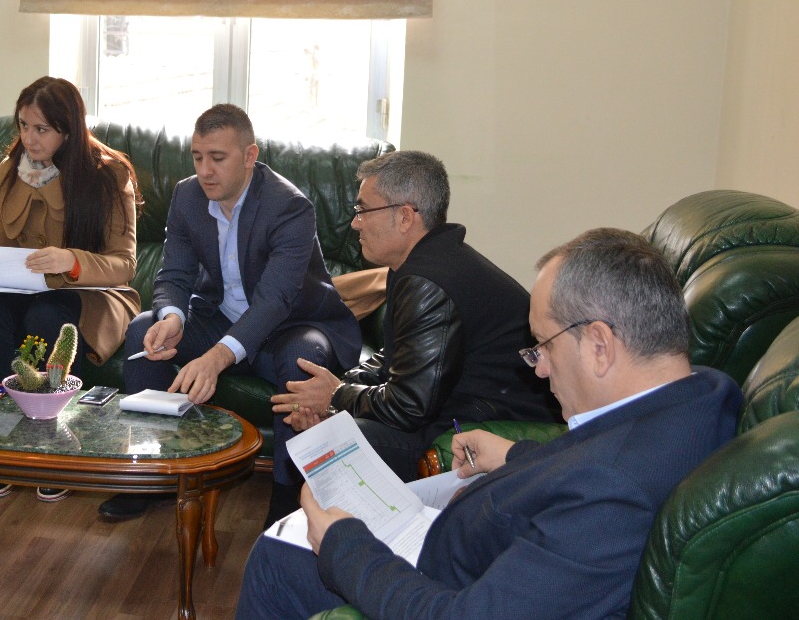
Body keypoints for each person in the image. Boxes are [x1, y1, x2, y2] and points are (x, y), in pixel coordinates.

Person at [236, 228, 742, 619]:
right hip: (475, 543)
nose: (538, 368)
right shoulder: (705, 393)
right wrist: (515, 456)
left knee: (274, 555)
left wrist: (344, 545)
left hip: (444, 580)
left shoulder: (612, 494)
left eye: (543, 345)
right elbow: (598, 453)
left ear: (600, 345)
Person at [98, 104, 362, 527]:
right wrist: (172, 318)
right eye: (198, 157)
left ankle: (288, 497)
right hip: (219, 317)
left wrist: (217, 358)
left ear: (249, 155)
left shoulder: (289, 207)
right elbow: (174, 273)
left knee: (301, 361)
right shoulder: (187, 196)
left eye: (217, 158)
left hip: (290, 325)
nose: (205, 170)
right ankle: (151, 474)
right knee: (144, 329)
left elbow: (274, 301)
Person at [271, 151, 558, 480]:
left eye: (362, 210)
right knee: (326, 428)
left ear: (405, 217)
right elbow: (396, 356)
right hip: (456, 404)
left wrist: (335, 396)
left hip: (499, 421)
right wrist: (336, 391)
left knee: (330, 441)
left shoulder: (429, 279)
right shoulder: (422, 262)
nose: (354, 223)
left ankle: (298, 512)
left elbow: (408, 406)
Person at [0, 76, 141, 503]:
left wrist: (71, 260)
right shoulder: (10, 168)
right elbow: (5, 242)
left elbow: (125, 264)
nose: (28, 139)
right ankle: (1, 441)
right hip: (22, 286)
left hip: (87, 292)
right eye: (23, 125)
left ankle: (52, 446)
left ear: (68, 131)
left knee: (47, 317)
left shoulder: (109, 176)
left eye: (41, 129)